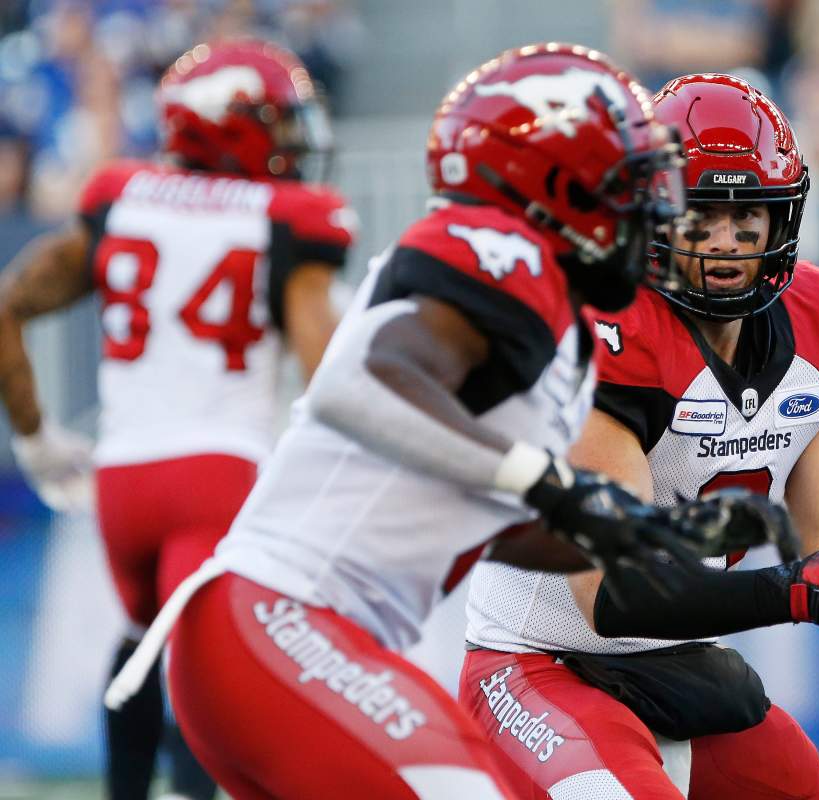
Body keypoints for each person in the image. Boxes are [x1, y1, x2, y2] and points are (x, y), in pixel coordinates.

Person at [104, 43, 776, 800]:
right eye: (628, 186)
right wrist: (553, 484)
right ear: (557, 188)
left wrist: (629, 528)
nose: (655, 210)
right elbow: (356, 388)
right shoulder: (497, 250)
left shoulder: (567, 333)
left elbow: (485, 516)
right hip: (280, 617)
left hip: (289, 641)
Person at [460, 73, 819, 800]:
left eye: (747, 219)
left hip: (680, 665)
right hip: (544, 662)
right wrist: (794, 593)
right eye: (699, 219)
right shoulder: (606, 331)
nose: (726, 244)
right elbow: (617, 594)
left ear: (783, 219)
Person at [0, 39, 352, 800]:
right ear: (230, 126)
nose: (291, 142)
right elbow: (329, 380)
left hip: (122, 483)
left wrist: (35, 438)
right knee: (206, 675)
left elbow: (8, 305)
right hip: (220, 472)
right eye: (277, 124)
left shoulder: (121, 195)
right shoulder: (288, 215)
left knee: (137, 645)